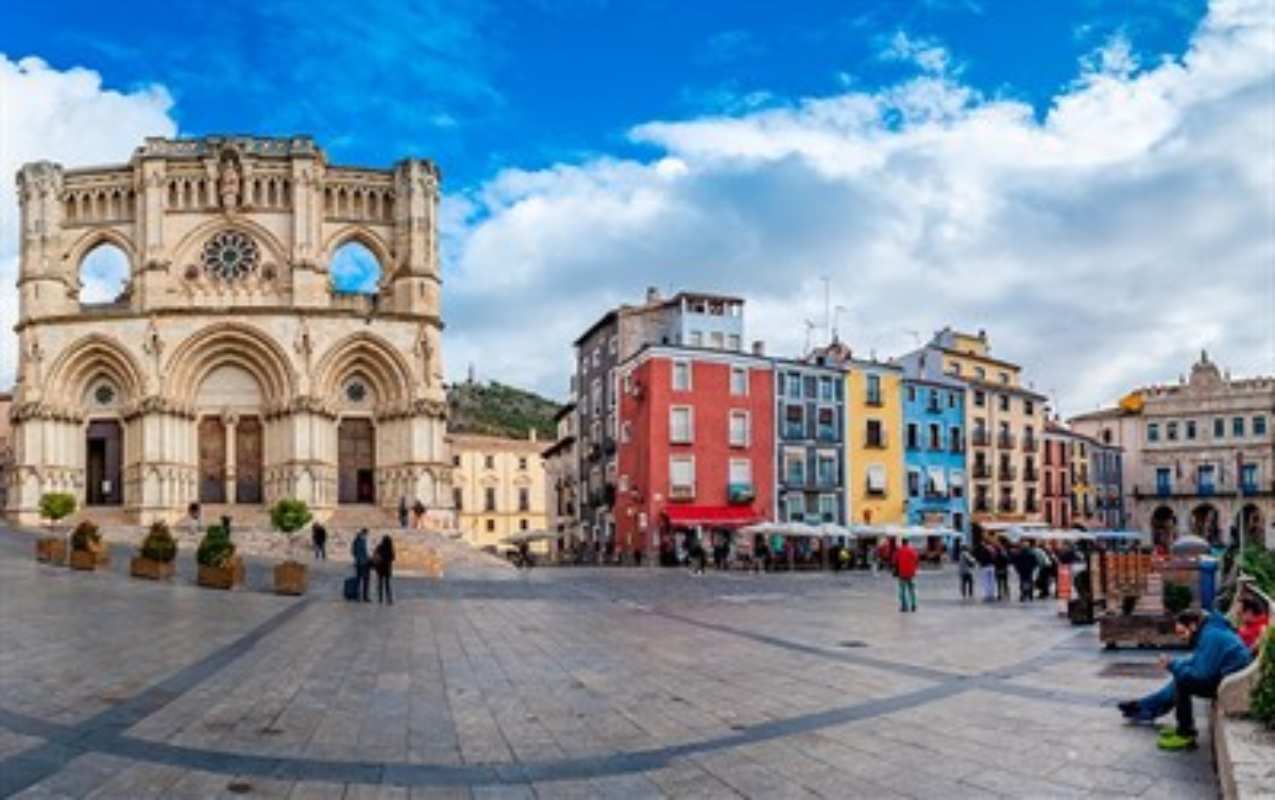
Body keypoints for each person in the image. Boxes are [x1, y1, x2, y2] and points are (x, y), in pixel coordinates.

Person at [1117, 609, 1252, 750]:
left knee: (1183, 681)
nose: (1182, 638)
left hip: (1230, 686)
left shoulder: (1211, 636)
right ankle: (1143, 707)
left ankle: (1185, 733)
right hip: (1225, 678)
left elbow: (1200, 676)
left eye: (1182, 633)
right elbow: (1195, 661)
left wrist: (1172, 665)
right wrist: (1174, 663)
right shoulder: (1209, 631)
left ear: (1193, 626)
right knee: (1181, 675)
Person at [895, 538, 918, 613]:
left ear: (902, 543)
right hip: (911, 573)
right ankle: (914, 605)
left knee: (902, 591)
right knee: (912, 590)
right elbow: (916, 560)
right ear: (908, 543)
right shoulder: (912, 551)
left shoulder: (899, 551)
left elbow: (895, 561)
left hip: (902, 573)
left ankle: (904, 607)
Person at [373, 534, 395, 604]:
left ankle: (380, 599)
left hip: (380, 568)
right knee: (387, 585)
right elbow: (393, 558)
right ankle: (389, 599)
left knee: (380, 584)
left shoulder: (379, 547)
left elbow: (375, 555)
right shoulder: (390, 548)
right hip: (387, 568)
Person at [351, 528, 372, 603]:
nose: (367, 536)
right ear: (364, 533)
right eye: (366, 534)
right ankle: (364, 597)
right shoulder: (363, 541)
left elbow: (353, 551)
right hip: (364, 563)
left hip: (360, 563)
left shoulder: (356, 540)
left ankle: (360, 596)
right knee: (364, 580)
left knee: (360, 580)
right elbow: (366, 552)